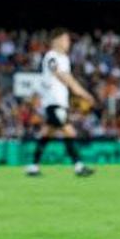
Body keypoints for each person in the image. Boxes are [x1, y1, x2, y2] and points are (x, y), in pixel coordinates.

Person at [26, 28, 96, 178]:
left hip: (60, 102)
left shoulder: (64, 58)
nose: (68, 43)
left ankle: (32, 166)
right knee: (69, 131)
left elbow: (66, 78)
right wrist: (83, 93)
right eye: (65, 39)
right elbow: (63, 76)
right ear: (56, 41)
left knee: (46, 134)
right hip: (53, 102)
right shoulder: (51, 57)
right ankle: (79, 166)